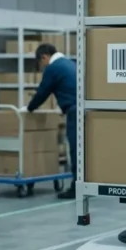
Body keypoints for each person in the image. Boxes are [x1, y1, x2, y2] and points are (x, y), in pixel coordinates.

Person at [26, 43, 78, 198]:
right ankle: (88, 184)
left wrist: (28, 108)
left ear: (44, 57)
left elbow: (43, 92)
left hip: (74, 111)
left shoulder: (53, 68)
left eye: (40, 63)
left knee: (76, 150)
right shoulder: (70, 63)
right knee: (85, 151)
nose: (42, 67)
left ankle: (77, 188)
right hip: (85, 109)